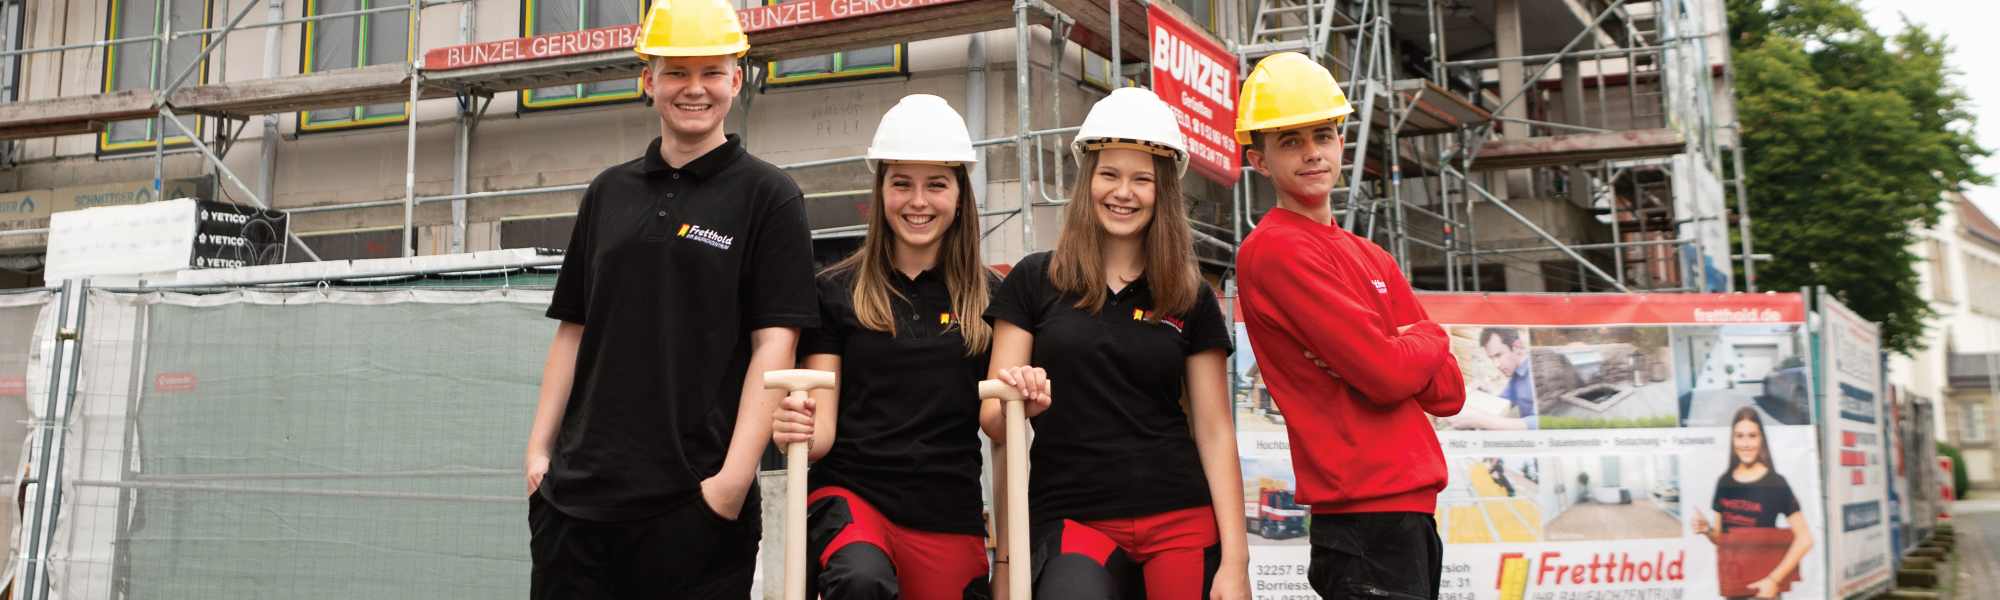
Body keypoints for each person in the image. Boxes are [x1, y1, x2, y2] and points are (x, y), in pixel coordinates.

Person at [522, 1, 818, 596]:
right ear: (648, 81)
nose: (694, 88)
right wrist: (538, 457)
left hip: (694, 507)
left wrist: (729, 487)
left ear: (736, 80)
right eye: (676, 72)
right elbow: (574, 329)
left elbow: (775, 346)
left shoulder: (771, 197)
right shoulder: (608, 192)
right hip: (576, 505)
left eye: (711, 72)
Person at [983, 87, 1250, 600]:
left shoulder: (1189, 294)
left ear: (1163, 191)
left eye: (1142, 179)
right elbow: (995, 420)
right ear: (1088, 181)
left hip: (1180, 514)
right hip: (1073, 516)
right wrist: (1021, 397)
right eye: (1109, 174)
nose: (1123, 192)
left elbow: (1215, 432)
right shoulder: (1035, 279)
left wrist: (1235, 562)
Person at [1233, 52, 1467, 600]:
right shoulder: (1275, 250)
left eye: (1323, 134)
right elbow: (1387, 374)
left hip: (1408, 514)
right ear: (1259, 161)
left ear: (1342, 141)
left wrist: (1392, 350)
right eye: (1289, 141)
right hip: (1363, 517)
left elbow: (1450, 392)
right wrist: (1427, 338)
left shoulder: (1371, 255)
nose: (1312, 152)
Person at [769, 95, 996, 600]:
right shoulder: (834, 290)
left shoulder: (991, 300)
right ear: (880, 191)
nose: (918, 201)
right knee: (860, 580)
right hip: (854, 500)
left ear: (961, 194)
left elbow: (997, 419)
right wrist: (796, 428)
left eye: (936, 184)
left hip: (947, 512)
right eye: (901, 184)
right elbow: (820, 431)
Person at [1692, 408, 1812, 599]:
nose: (1746, 443)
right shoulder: (1724, 482)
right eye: (1740, 436)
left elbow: (1805, 539)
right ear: (1733, 440)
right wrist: (1707, 530)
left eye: (1752, 436)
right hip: (1733, 588)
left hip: (1763, 593)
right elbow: (1721, 540)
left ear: (1761, 439)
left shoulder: (1775, 483)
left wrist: (1773, 581)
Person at [1445, 327, 1537, 430]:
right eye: (1492, 358)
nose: (1496, 364)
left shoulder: (1537, 371)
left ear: (1516, 347)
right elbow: (1504, 402)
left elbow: (1539, 423)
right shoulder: (1517, 374)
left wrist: (1478, 421)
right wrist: (1485, 396)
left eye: (1498, 355)